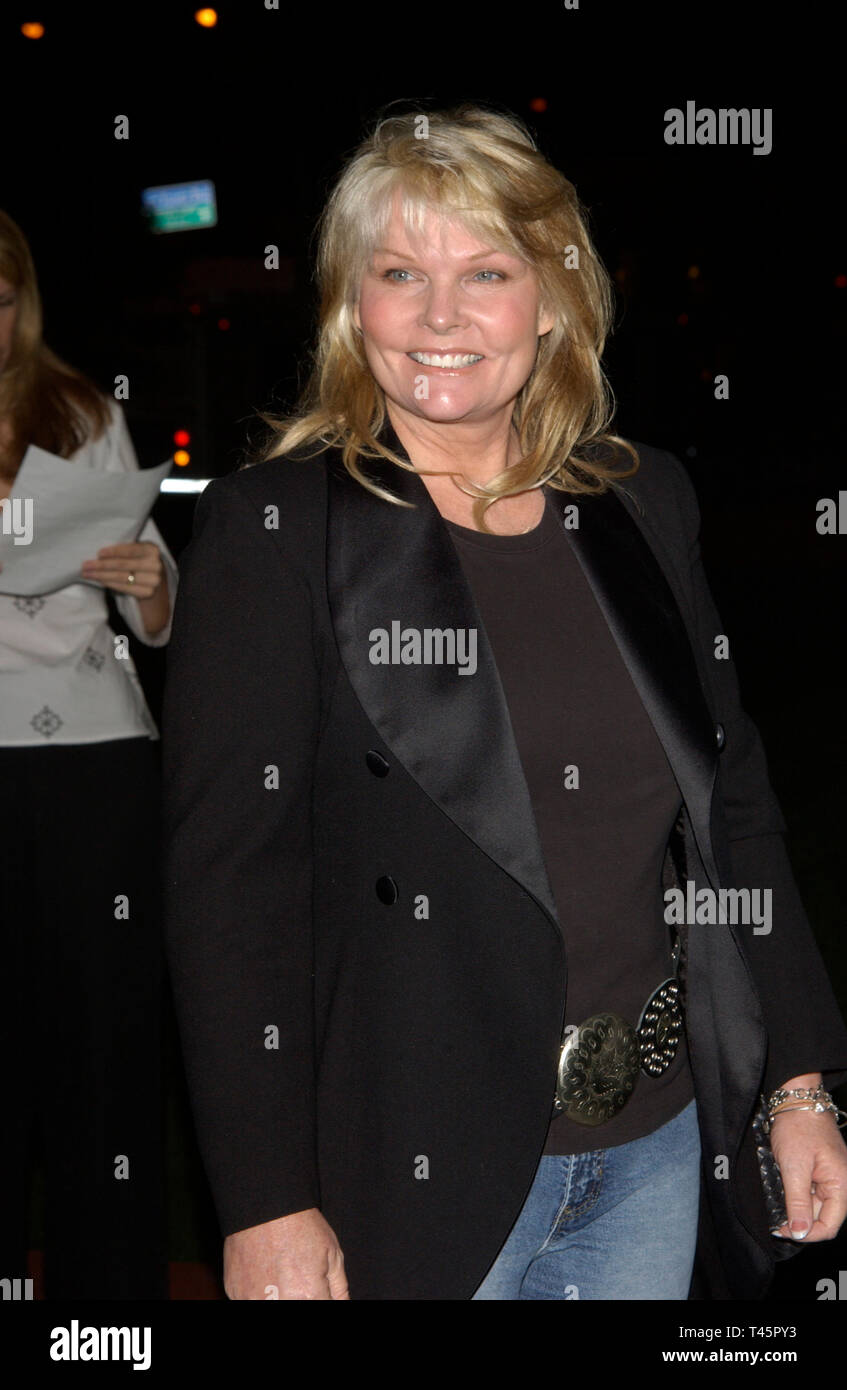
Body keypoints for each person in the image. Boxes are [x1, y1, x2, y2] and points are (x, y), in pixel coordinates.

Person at [161, 106, 847, 1301]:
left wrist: (795, 1077)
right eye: (399, 274)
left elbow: (732, 807)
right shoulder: (275, 533)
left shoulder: (640, 504)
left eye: (486, 271)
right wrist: (266, 1199)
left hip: (654, 1145)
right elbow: (231, 892)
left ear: (552, 301)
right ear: (349, 306)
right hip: (407, 1172)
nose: (440, 317)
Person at [0, 209, 178, 1299]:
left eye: (1, 293)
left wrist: (153, 590)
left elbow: (152, 587)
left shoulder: (77, 410)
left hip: (93, 759)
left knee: (104, 1065)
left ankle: (103, 1328)